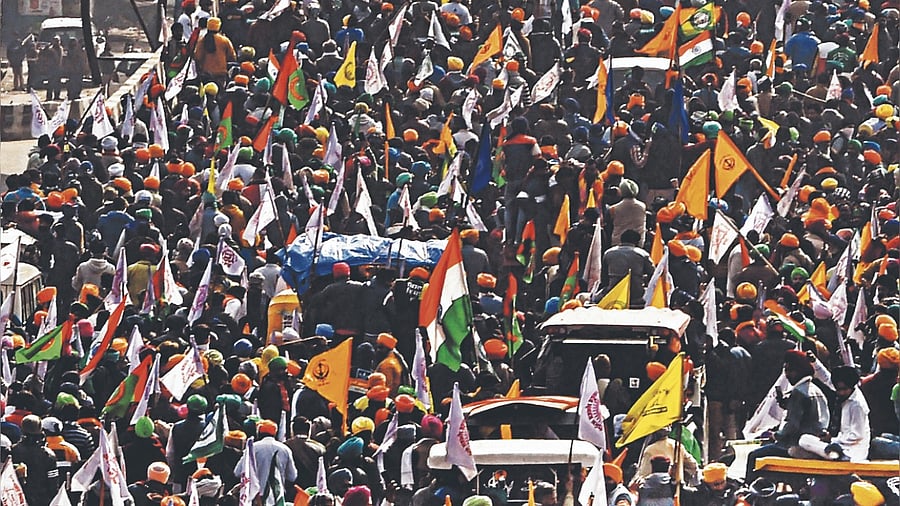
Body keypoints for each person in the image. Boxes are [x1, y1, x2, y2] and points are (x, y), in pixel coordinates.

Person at [745, 351, 830, 481]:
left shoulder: (799, 393)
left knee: (753, 455)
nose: (787, 375)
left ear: (799, 371)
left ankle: (748, 489)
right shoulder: (815, 390)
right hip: (815, 442)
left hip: (797, 445)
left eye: (790, 371)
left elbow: (792, 425)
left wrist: (776, 435)